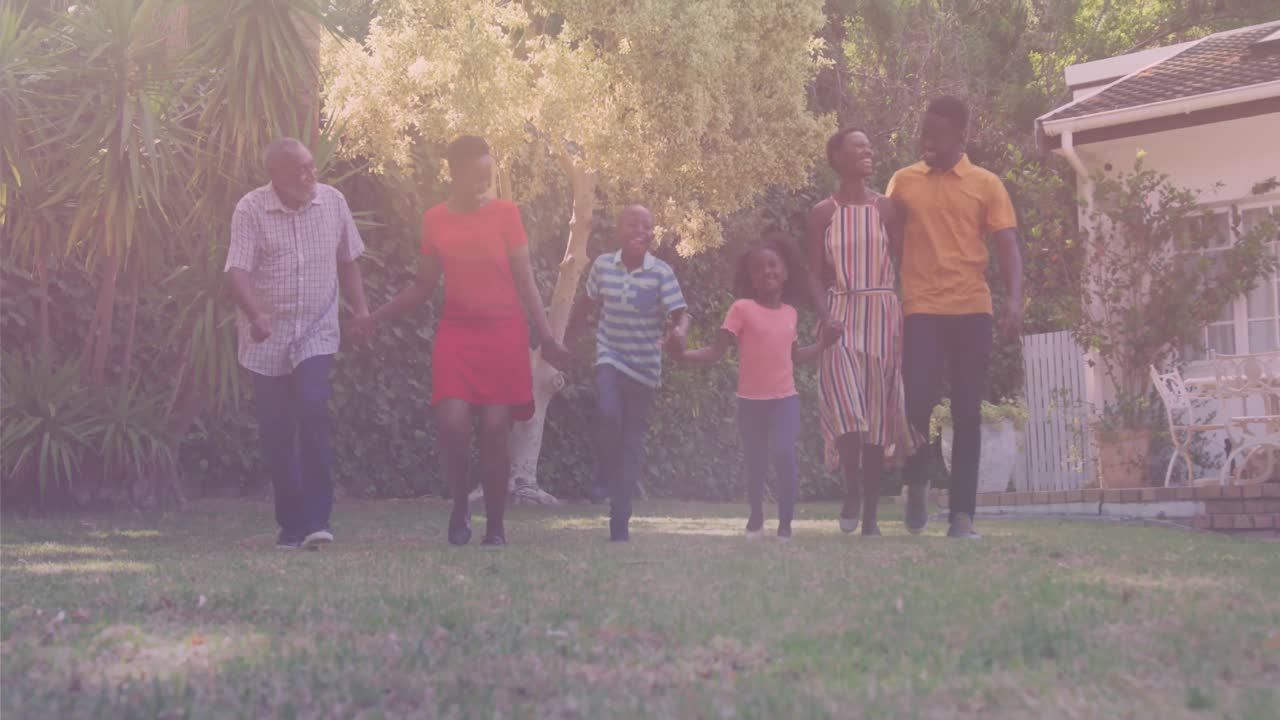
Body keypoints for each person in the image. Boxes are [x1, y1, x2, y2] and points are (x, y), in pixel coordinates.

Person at [351, 135, 569, 547]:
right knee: (451, 423)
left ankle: (496, 526)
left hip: (503, 333)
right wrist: (374, 317)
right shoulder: (435, 219)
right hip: (458, 333)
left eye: (489, 175)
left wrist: (546, 338)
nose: (485, 183)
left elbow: (526, 282)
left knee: (495, 428)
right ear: (454, 173)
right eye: (477, 175)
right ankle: (459, 505)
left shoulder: (506, 214)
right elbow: (422, 286)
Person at [885, 96, 1024, 539]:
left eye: (936, 135)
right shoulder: (902, 182)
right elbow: (888, 240)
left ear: (960, 136)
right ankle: (916, 480)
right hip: (921, 308)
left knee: (966, 411)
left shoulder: (986, 184)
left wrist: (1014, 299)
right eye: (923, 133)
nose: (927, 142)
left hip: (971, 309)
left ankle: (962, 515)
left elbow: (1007, 246)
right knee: (915, 403)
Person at [225, 138, 370, 550]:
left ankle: (318, 520)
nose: (310, 175)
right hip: (267, 335)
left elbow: (348, 260)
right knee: (276, 431)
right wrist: (256, 314)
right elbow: (236, 271)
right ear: (276, 176)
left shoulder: (333, 202)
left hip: (316, 329)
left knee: (312, 406)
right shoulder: (251, 209)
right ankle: (290, 525)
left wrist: (361, 310)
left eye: (311, 166)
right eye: (300, 170)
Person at [669, 235, 840, 540]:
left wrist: (824, 344)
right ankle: (756, 518)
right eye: (758, 268)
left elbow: (794, 357)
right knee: (756, 463)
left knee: (785, 454)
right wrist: (682, 355)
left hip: (785, 400)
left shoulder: (790, 313)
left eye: (772, 265)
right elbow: (715, 351)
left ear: (785, 272)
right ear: (750, 278)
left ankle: (785, 525)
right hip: (750, 402)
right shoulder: (741, 309)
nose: (766, 271)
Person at [805, 129, 918, 538]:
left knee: (875, 418)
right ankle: (851, 489)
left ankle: (870, 514)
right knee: (846, 409)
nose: (868, 150)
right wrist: (825, 316)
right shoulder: (823, 213)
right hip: (840, 315)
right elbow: (812, 275)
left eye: (870, 146)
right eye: (857, 146)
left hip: (883, 316)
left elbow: (907, 264)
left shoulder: (887, 209)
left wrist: (912, 314)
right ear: (836, 157)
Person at [567, 205, 688, 542]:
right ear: (619, 230)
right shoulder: (603, 265)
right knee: (608, 414)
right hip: (611, 354)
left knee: (632, 444)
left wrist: (679, 333)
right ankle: (605, 472)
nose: (640, 231)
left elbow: (680, 313)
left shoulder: (661, 272)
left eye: (647, 226)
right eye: (633, 225)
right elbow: (585, 306)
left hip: (645, 367)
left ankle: (620, 521)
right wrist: (566, 345)